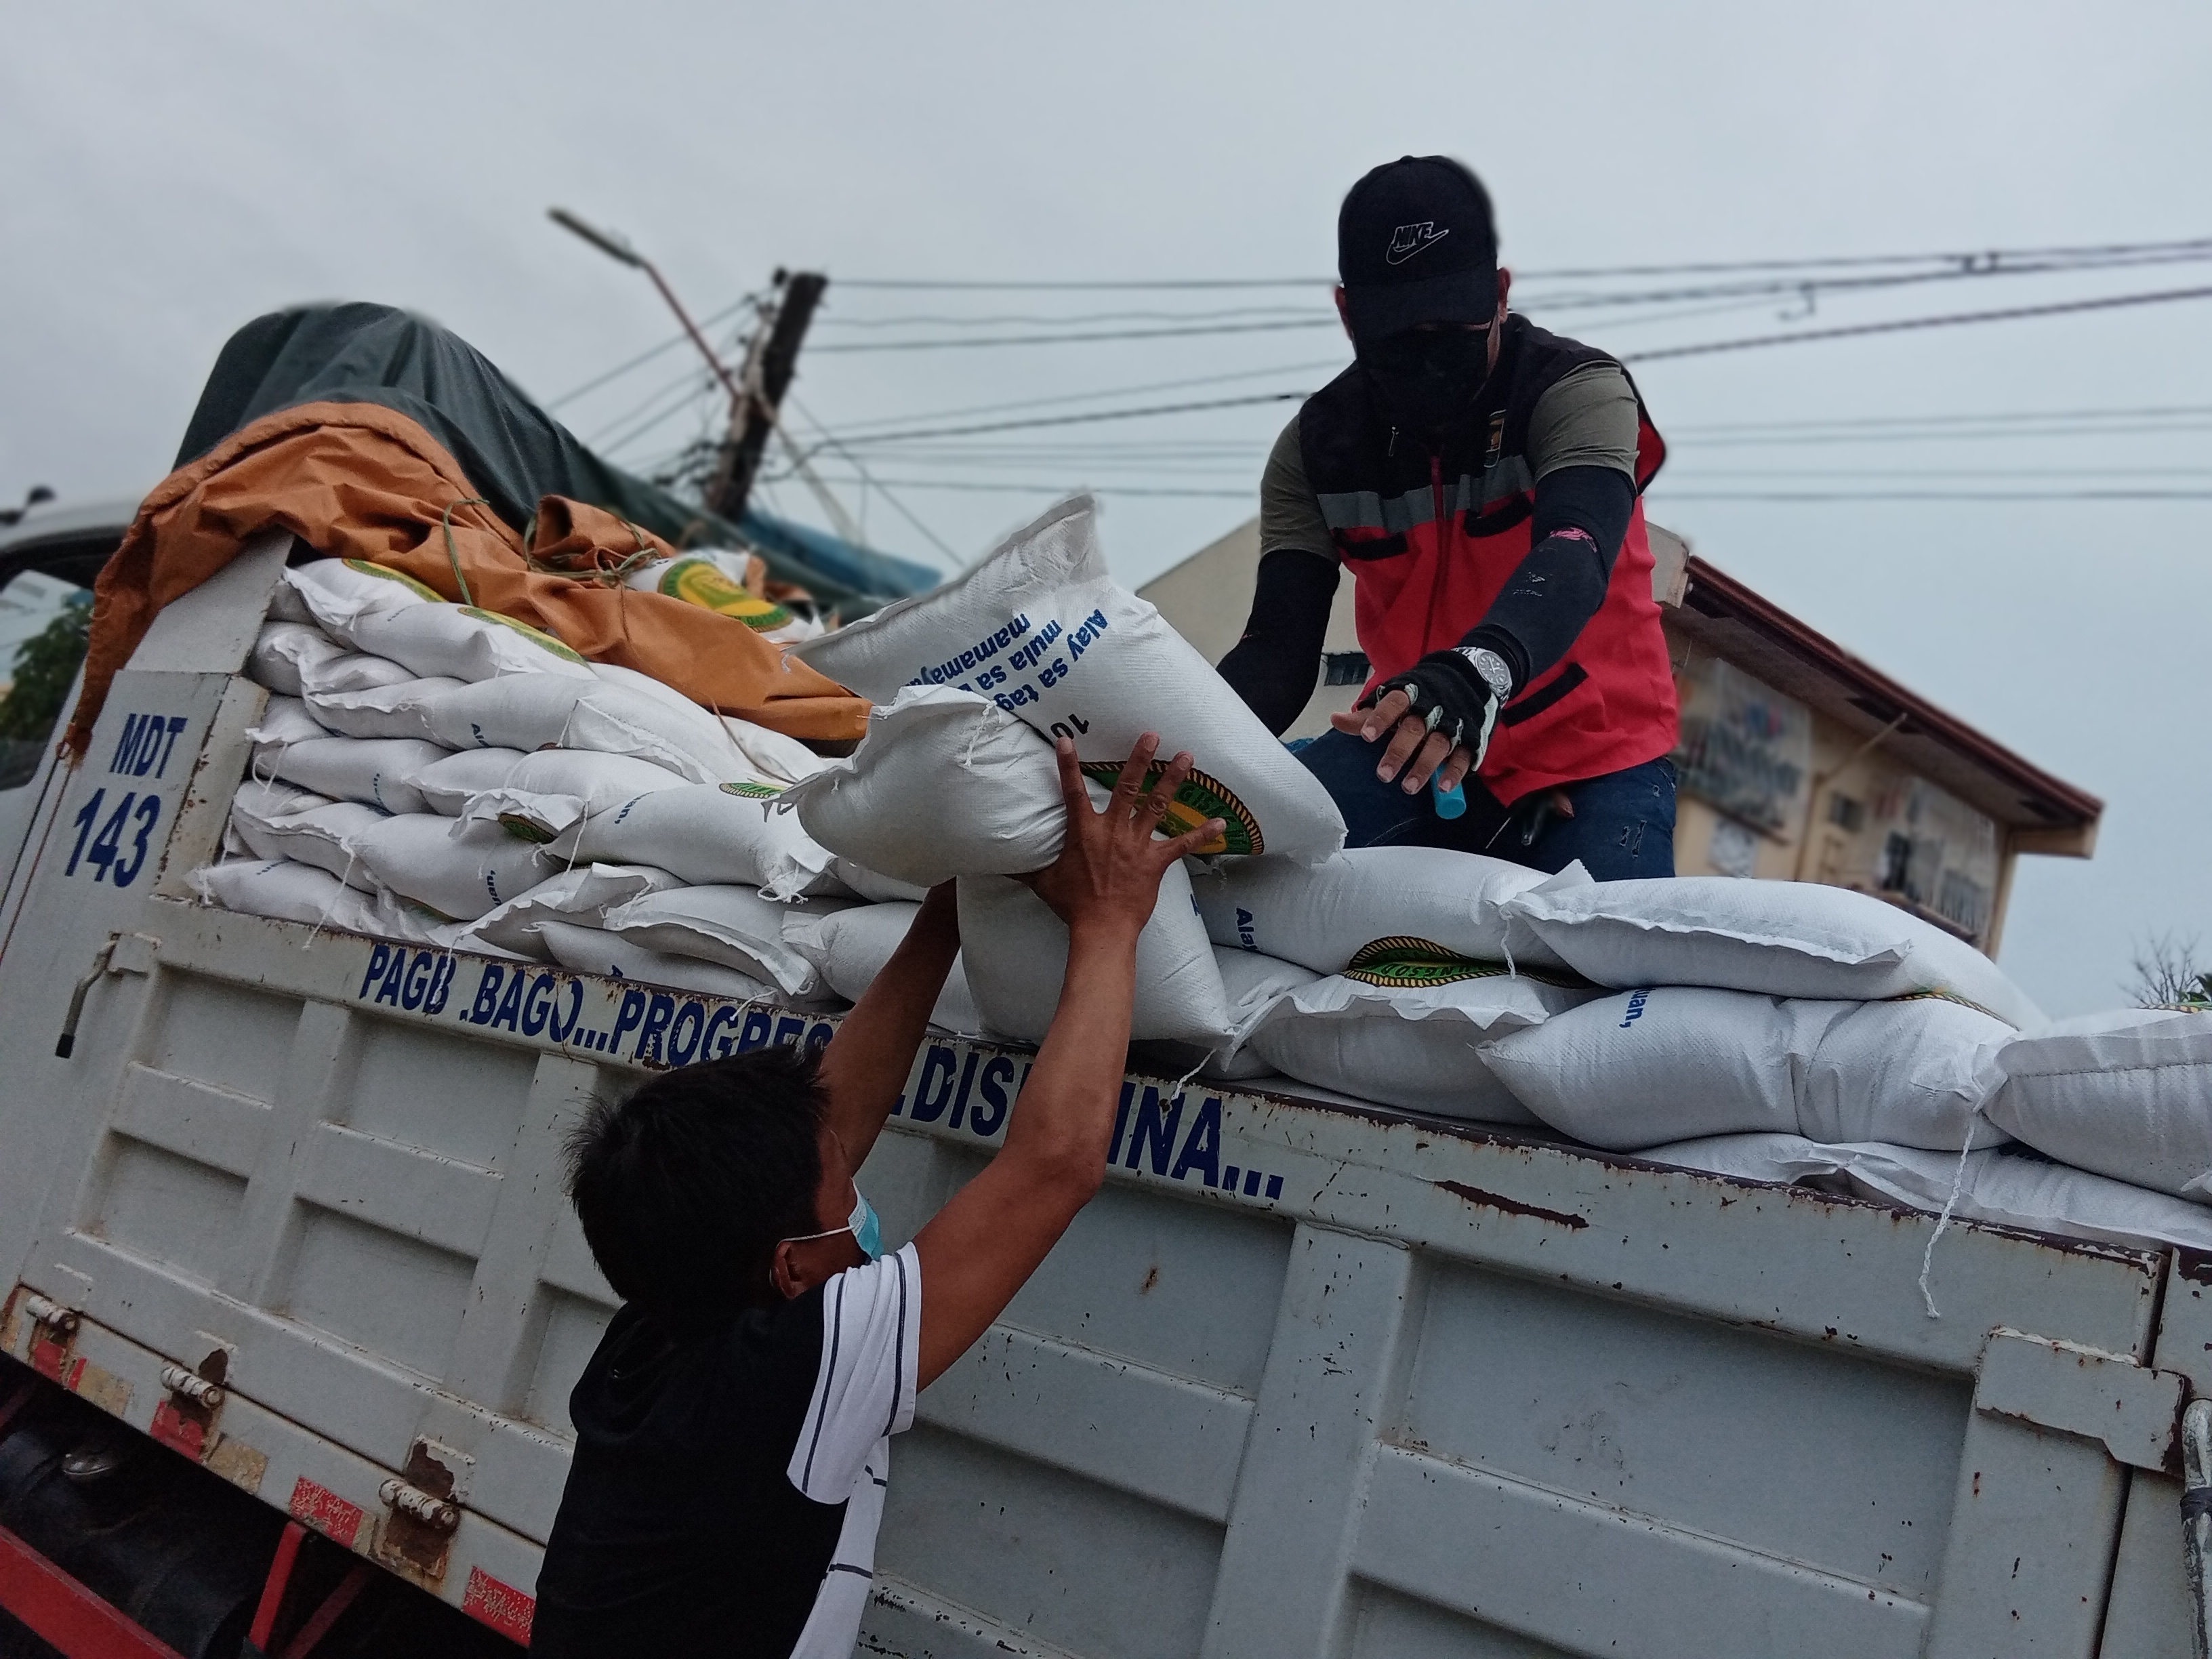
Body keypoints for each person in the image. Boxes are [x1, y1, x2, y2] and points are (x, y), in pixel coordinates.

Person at [528, 736, 1223, 1659]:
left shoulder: (667, 1314)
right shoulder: (784, 1372)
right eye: (843, 1185)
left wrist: (952, 905)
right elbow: (1056, 1164)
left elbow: (832, 1112)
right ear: (791, 1267)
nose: (856, 1184)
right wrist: (1109, 923)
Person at [1218, 156, 1680, 880]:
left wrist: (1478, 672)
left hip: (1593, 758)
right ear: (1348, 315)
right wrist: (1172, 744)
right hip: (1415, 737)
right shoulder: (1317, 450)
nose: (1428, 356)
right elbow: (1278, 653)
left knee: (1596, 970)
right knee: (1249, 865)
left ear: (1499, 293)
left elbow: (1575, 552)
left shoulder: (1577, 392)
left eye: (1450, 326)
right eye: (1401, 337)